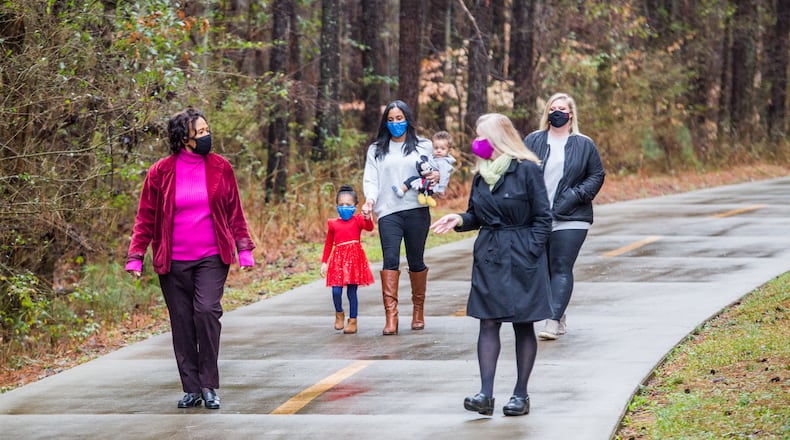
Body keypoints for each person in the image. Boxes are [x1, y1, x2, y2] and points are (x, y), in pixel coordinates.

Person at [125, 108, 255, 410]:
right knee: (182, 322)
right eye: (200, 132)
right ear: (184, 138)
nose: (207, 136)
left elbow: (235, 210)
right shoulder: (160, 172)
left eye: (207, 129)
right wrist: (136, 256)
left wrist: (244, 248)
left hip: (212, 255)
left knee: (207, 312)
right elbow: (145, 217)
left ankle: (209, 384)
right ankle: (191, 387)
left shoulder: (221, 168)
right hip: (173, 261)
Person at [431, 113, 552, 417]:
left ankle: (520, 395)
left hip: (522, 254)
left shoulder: (527, 170)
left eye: (481, 135)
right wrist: (458, 219)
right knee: (488, 322)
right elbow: (476, 215)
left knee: (523, 324)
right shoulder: (481, 175)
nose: (477, 142)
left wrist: (531, 249)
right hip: (490, 255)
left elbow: (543, 218)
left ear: (498, 138)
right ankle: (485, 394)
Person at [523, 93, 605, 340]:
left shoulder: (584, 144)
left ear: (571, 114)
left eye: (562, 109)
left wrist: (575, 196)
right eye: (553, 108)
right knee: (543, 269)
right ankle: (559, 310)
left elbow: (596, 175)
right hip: (537, 215)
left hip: (572, 216)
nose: (556, 112)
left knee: (561, 266)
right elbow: (520, 170)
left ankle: (552, 319)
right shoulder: (533, 140)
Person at [362, 100, 440, 335]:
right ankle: (391, 317)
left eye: (400, 118)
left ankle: (418, 311)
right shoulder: (376, 149)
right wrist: (370, 200)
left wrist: (435, 176)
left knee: (416, 261)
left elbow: (434, 171)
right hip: (388, 212)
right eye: (391, 119)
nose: (396, 123)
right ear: (385, 122)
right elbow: (371, 179)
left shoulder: (422, 146)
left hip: (416, 209)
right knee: (390, 260)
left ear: (408, 119)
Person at [320, 185, 375, 334]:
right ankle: (339, 313)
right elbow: (328, 244)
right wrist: (324, 262)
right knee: (336, 291)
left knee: (352, 292)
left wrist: (368, 216)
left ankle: (353, 320)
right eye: (341, 205)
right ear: (336, 206)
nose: (345, 207)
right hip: (338, 260)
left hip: (354, 260)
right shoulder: (333, 224)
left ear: (355, 206)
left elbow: (369, 228)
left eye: (348, 205)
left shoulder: (358, 220)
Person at [391, 130, 456, 207]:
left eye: (442, 149)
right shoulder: (434, 157)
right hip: (425, 176)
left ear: (449, 150)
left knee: (412, 179)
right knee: (415, 180)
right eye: (436, 148)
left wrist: (441, 189)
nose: (438, 150)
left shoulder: (443, 162)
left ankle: (402, 190)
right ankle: (408, 192)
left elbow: (445, 176)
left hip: (431, 181)